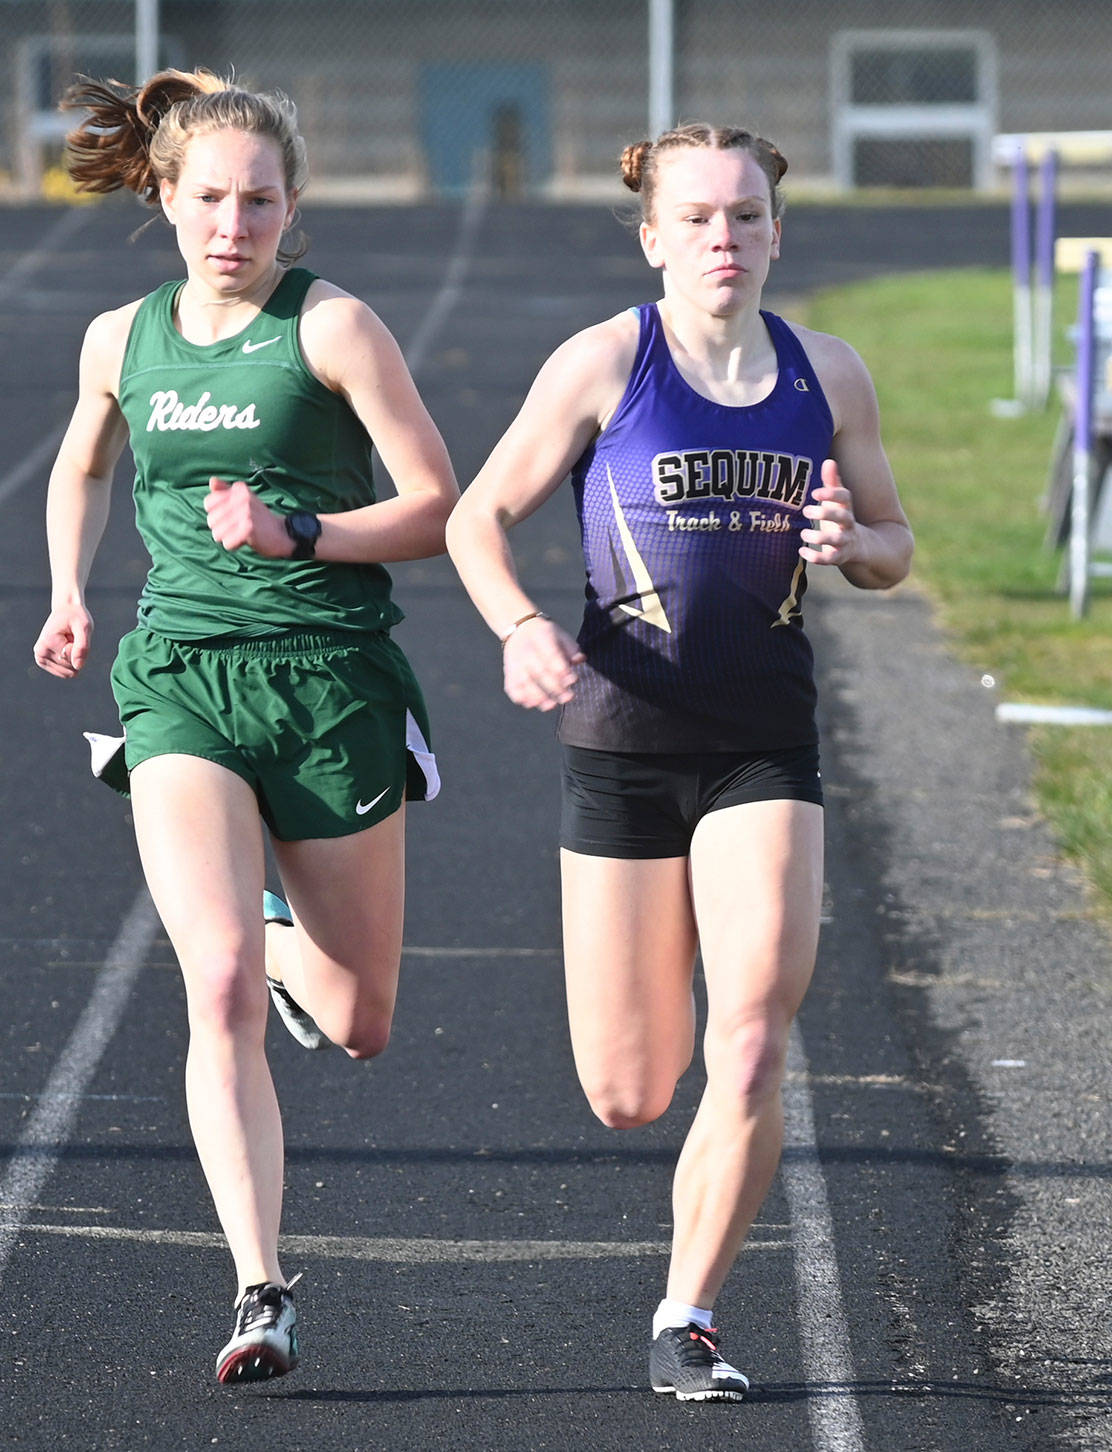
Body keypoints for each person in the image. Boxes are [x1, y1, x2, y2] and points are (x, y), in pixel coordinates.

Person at [445, 123, 912, 1401]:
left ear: (776, 231)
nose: (724, 238)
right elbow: (475, 516)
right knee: (628, 1089)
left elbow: (892, 539)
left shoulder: (829, 373)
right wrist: (517, 624)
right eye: (697, 218)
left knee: (752, 1041)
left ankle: (686, 1314)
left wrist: (849, 543)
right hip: (622, 745)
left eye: (746, 216)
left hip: (764, 741)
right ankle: (679, 1264)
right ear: (652, 235)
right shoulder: (606, 362)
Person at [32, 68, 457, 1385]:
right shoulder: (120, 339)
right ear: (162, 197)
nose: (233, 223)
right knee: (211, 985)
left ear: (293, 206)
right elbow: (82, 462)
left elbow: (441, 501)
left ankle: (280, 935)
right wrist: (65, 594)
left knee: (362, 1017)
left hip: (329, 685)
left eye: (259, 201)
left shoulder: (331, 329)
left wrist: (301, 533)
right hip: (180, 679)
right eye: (209, 198)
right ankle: (260, 1286)